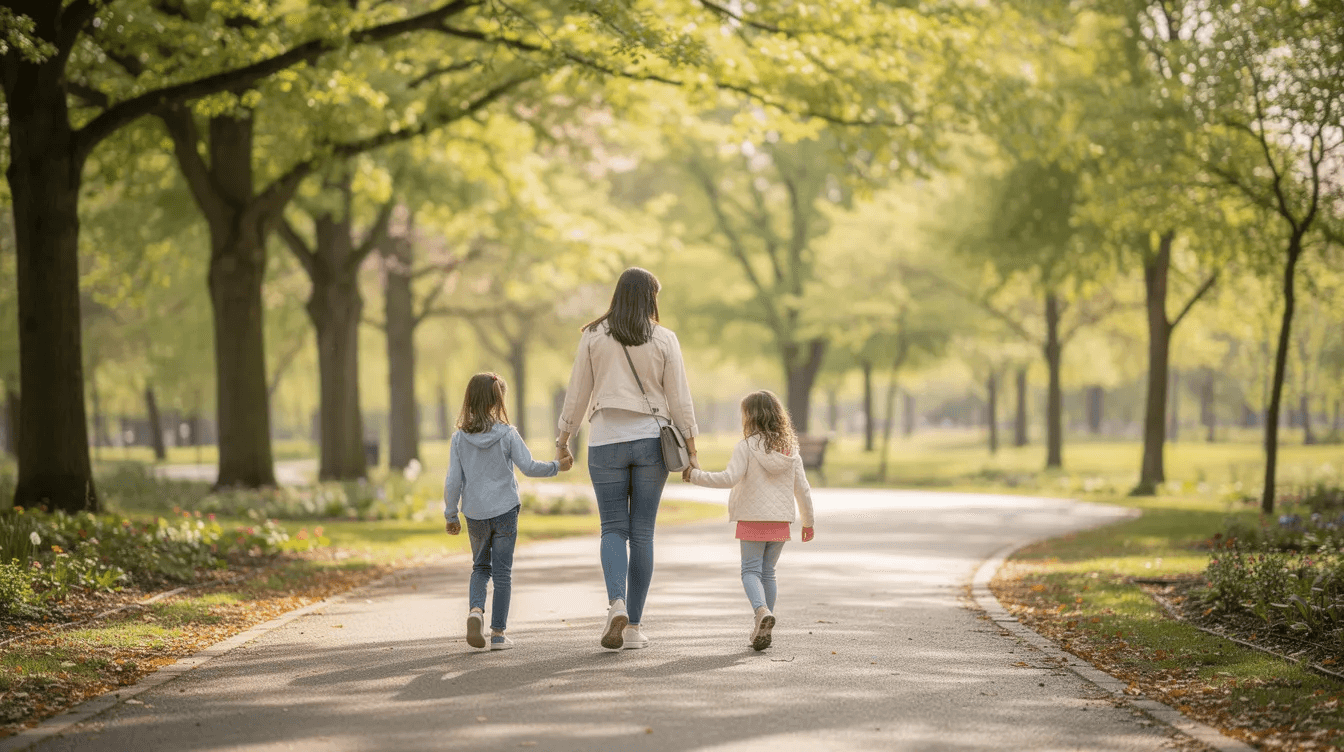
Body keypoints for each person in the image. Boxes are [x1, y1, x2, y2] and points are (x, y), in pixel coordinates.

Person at [556, 267, 699, 650]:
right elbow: (679, 398)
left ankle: (615, 602)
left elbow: (577, 393)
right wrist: (692, 447)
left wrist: (563, 438)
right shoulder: (664, 338)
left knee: (613, 529)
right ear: (650, 298)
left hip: (605, 442)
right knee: (643, 533)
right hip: (652, 441)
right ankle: (633, 627)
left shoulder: (593, 337)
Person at [444, 372, 573, 650]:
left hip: (475, 513)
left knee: (480, 567)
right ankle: (499, 635)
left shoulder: (459, 439)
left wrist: (450, 513)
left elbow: (453, 480)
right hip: (505, 511)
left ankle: (475, 612)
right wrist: (556, 466)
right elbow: (528, 467)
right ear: (497, 400)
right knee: (503, 573)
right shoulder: (507, 434)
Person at [685, 390, 815, 651]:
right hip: (780, 521)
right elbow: (803, 489)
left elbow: (728, 478)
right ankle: (763, 622)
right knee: (768, 572)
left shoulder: (746, 447)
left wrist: (695, 475)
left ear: (750, 417)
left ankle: (761, 612)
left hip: (752, 517)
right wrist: (808, 522)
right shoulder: (790, 451)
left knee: (750, 571)